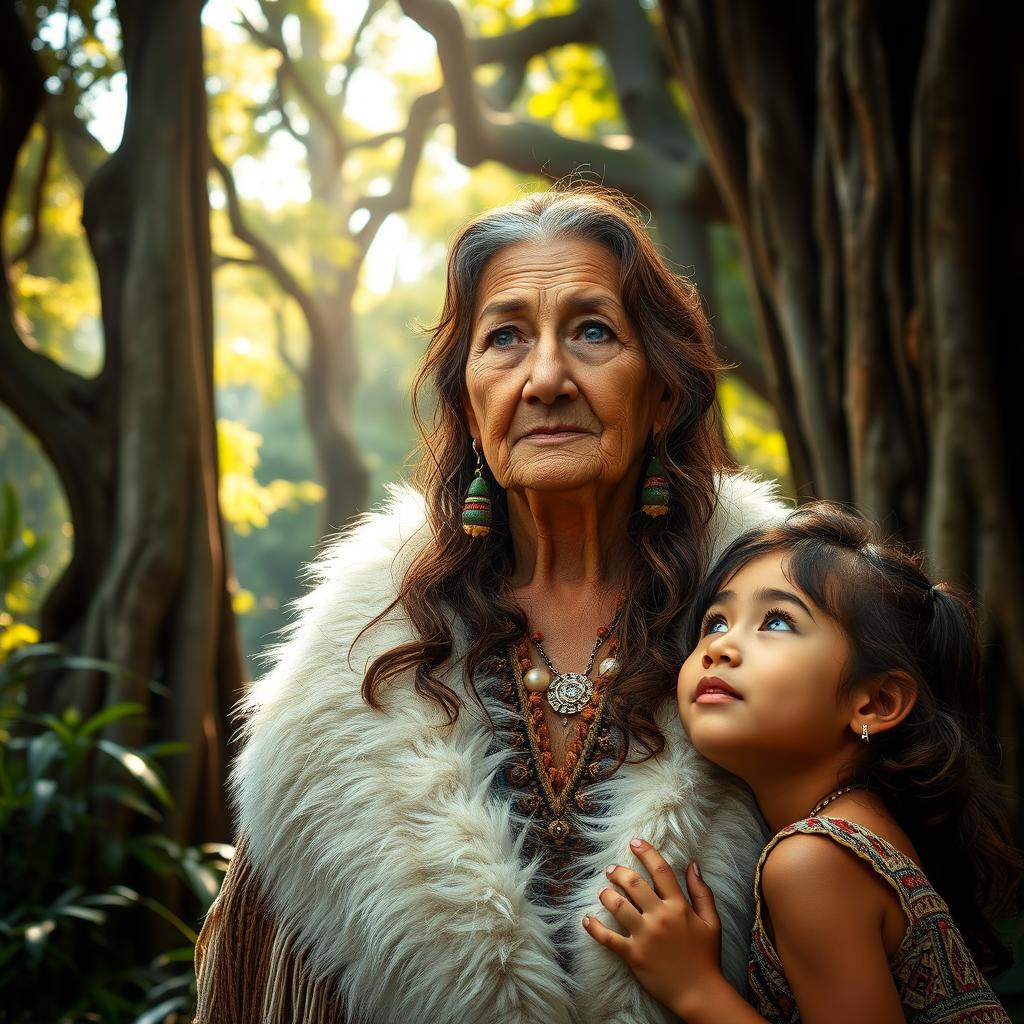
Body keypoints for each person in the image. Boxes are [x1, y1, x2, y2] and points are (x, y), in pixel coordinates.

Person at [193, 185, 787, 1024]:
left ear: (661, 393)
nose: (545, 379)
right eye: (505, 337)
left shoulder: (785, 622)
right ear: (469, 405)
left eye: (592, 331)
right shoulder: (346, 673)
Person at [583, 502, 1021, 1023]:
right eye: (715, 620)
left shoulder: (814, 860)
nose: (720, 646)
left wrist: (695, 987)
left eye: (778, 622)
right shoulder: (860, 830)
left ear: (875, 703)